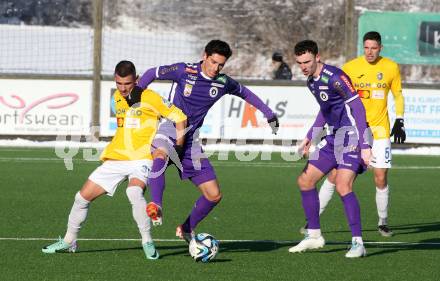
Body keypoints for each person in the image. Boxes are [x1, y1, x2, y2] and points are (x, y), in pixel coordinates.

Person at [42, 61, 187, 259]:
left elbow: (180, 117)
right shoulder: (117, 98)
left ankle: (147, 241)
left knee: (134, 193)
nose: (123, 88)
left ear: (136, 80)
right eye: (119, 83)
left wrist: (178, 146)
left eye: (127, 83)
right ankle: (69, 241)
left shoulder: (150, 97)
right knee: (81, 198)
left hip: (142, 158)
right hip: (116, 158)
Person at [138, 39, 279, 242]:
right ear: (205, 56)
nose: (216, 68)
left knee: (214, 195)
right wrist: (136, 95)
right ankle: (156, 205)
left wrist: (268, 113)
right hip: (170, 129)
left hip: (191, 142)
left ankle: (187, 228)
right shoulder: (184, 71)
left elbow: (245, 93)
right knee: (160, 154)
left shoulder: (222, 82)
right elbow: (152, 72)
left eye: (221, 64)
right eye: (213, 62)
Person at [315, 31, 405, 237]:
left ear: (380, 48)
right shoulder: (350, 68)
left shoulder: (391, 67)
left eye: (374, 48)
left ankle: (383, 221)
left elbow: (398, 95)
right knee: (336, 174)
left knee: (380, 177)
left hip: (380, 130)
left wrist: (400, 119)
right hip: (353, 130)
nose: (370, 52)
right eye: (366, 47)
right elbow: (333, 99)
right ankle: (313, 218)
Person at [288, 40, 371, 258]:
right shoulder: (311, 82)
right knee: (305, 180)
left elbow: (358, 109)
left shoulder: (336, 77)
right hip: (334, 138)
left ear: (317, 56)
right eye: (299, 63)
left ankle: (358, 243)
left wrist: (365, 145)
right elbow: (325, 110)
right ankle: (314, 236)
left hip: (352, 135)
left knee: (343, 185)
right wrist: (310, 137)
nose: (304, 66)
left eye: (307, 61)